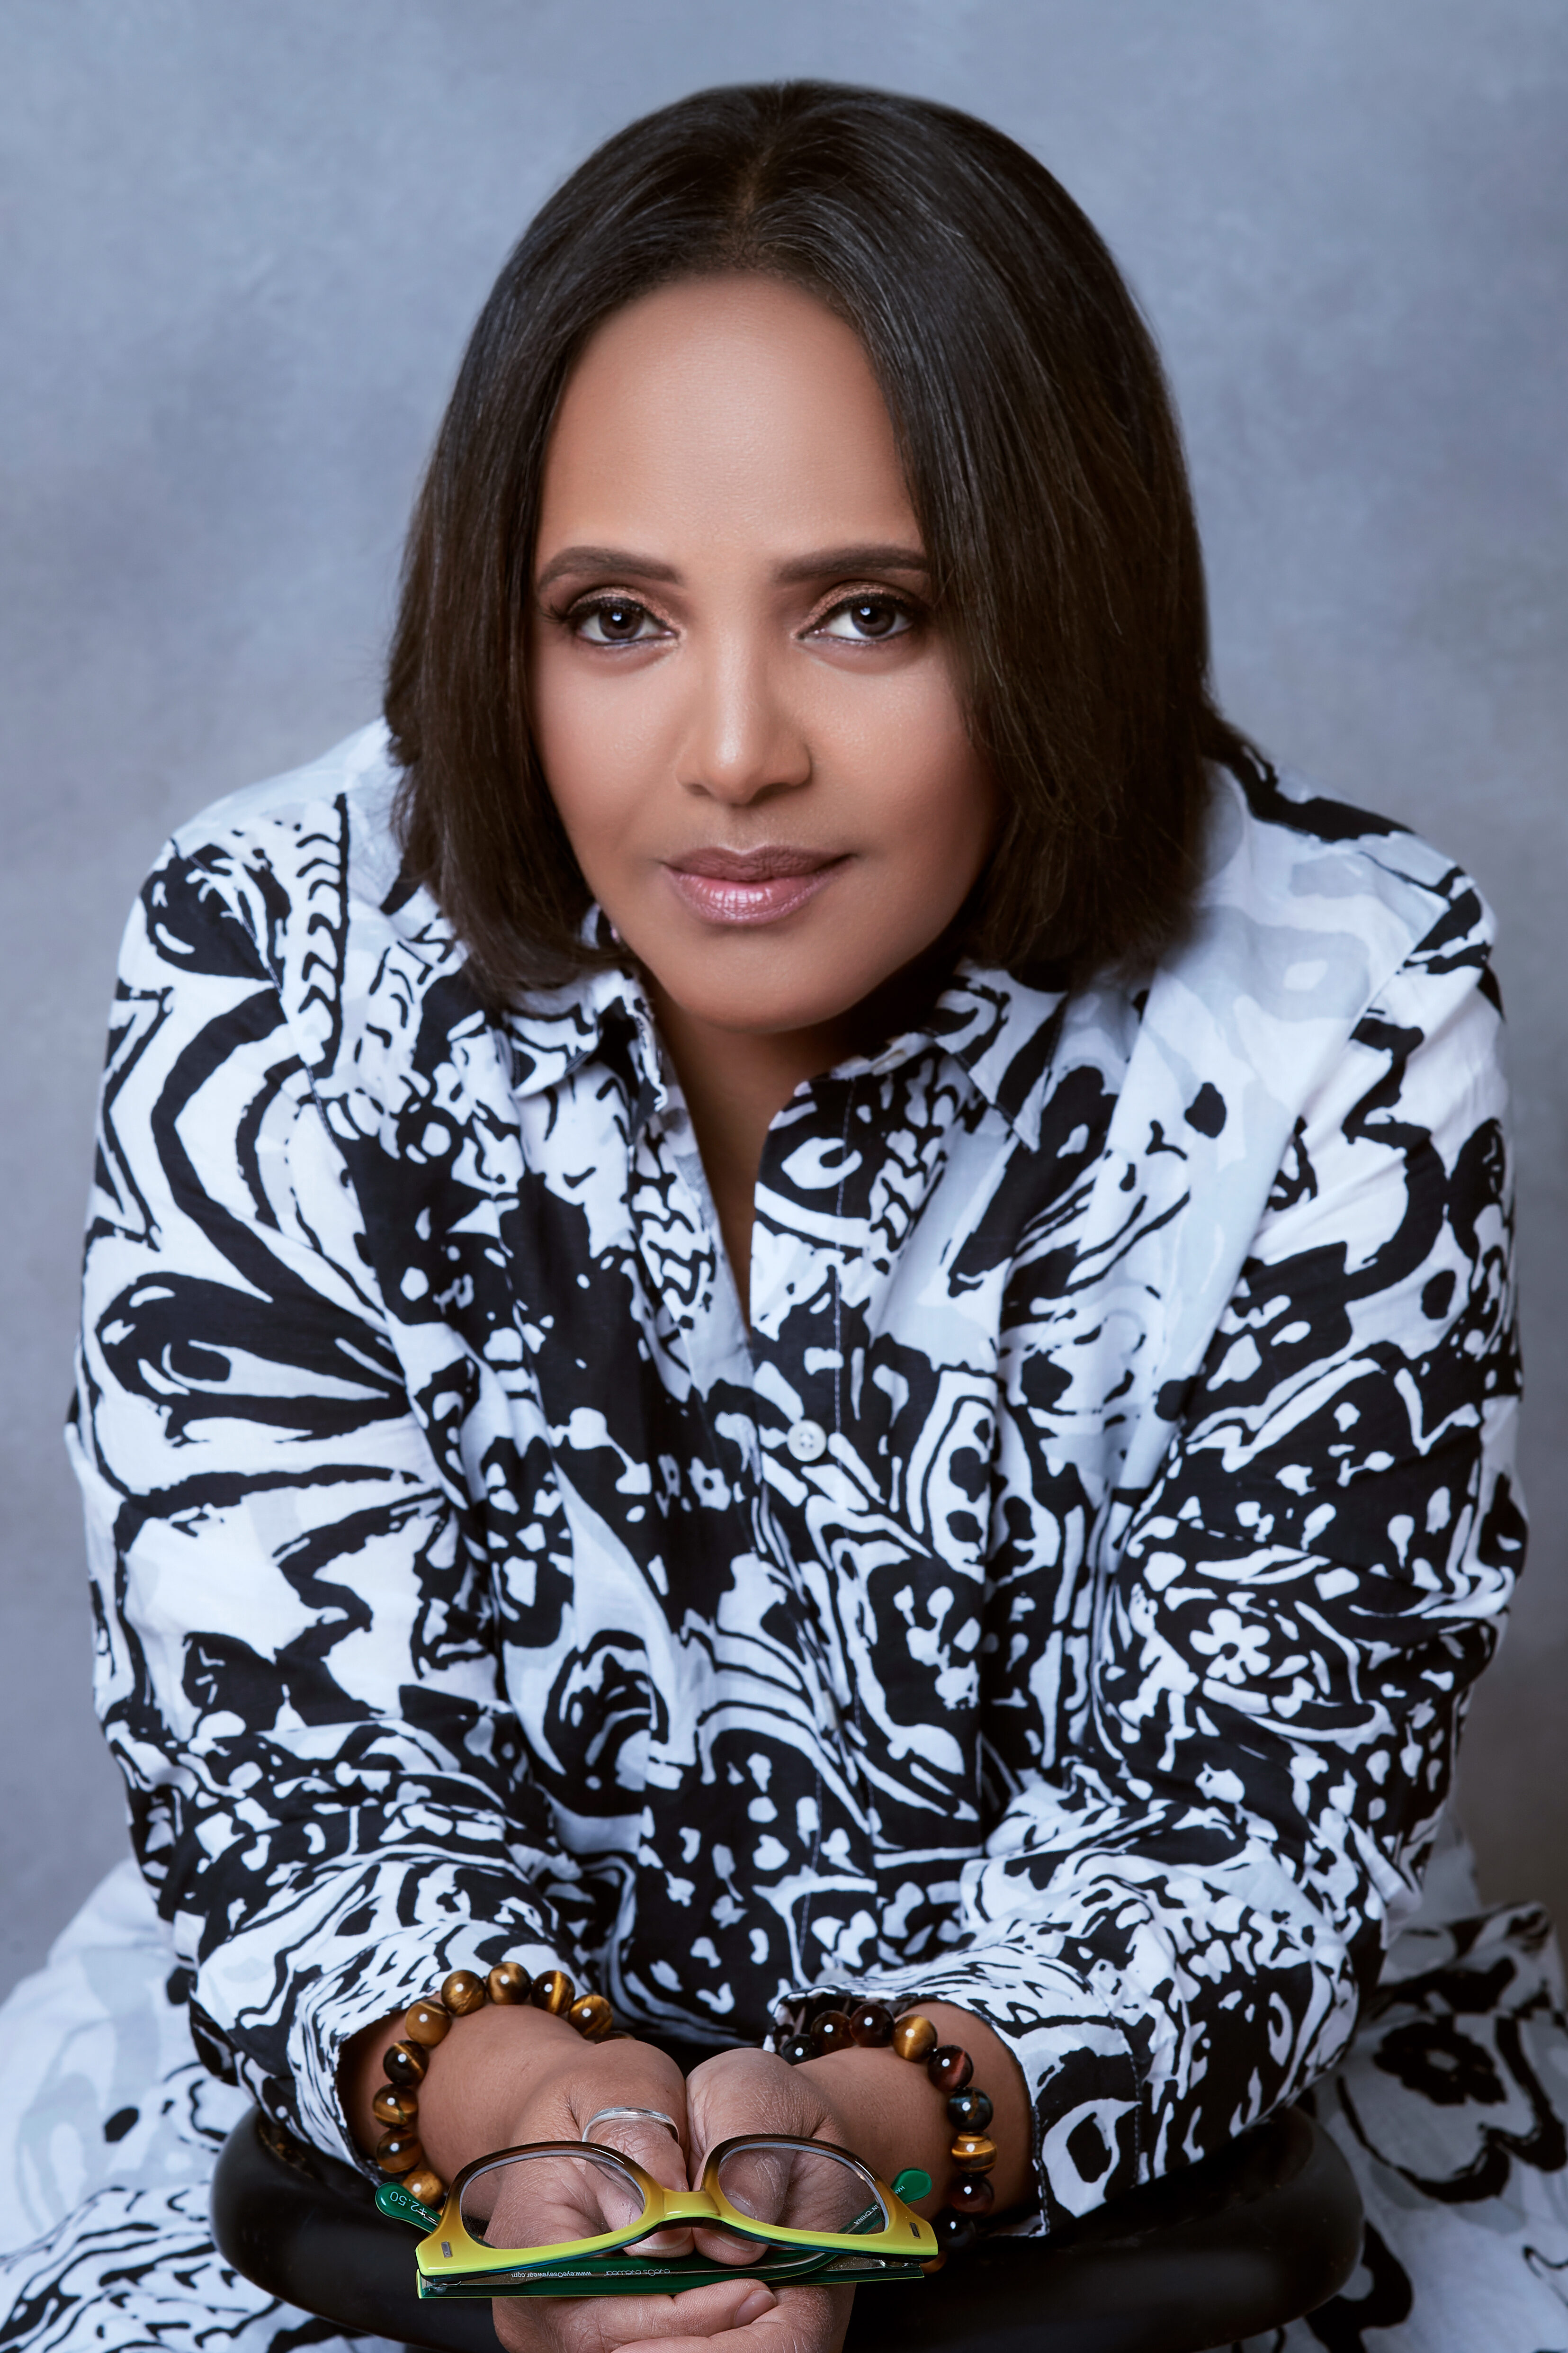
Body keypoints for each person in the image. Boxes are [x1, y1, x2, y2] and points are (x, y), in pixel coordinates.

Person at [1, 77, 1564, 2353]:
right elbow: (287, 1774)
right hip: (368, 2138)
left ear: (1057, 597)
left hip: (1140, 2170)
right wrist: (531, 2118)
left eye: (867, 612)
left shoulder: (1346, 999)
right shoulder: (267, 944)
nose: (732, 751)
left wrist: (857, 2139)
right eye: (615, 618)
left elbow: (1247, 1817)